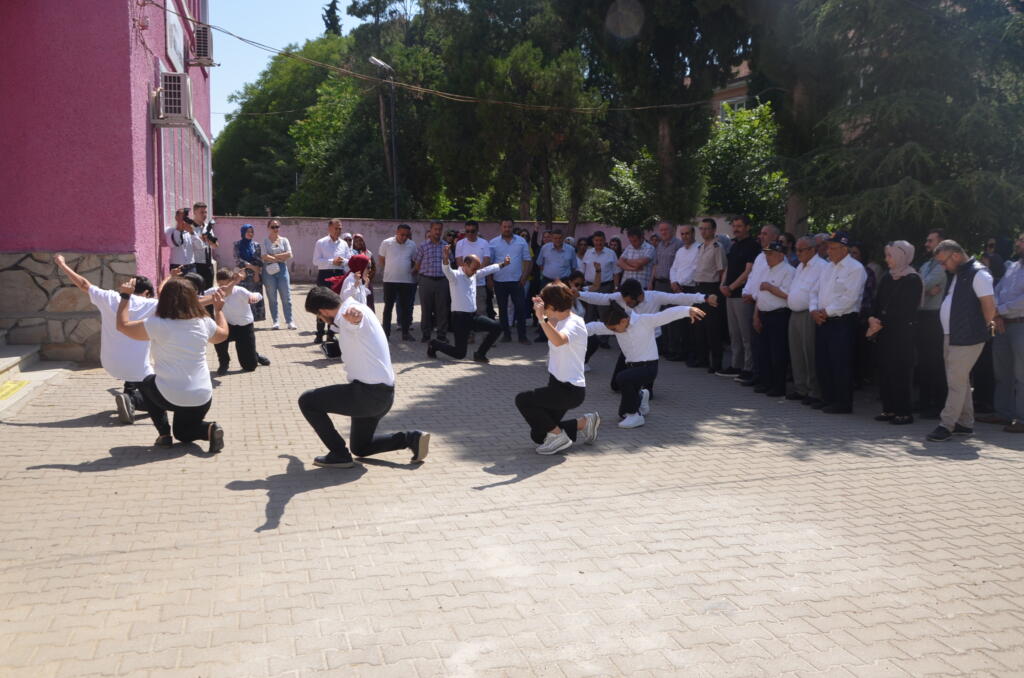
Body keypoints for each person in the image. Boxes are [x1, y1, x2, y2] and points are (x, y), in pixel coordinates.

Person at [298, 286, 430, 468]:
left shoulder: (350, 316)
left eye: (318, 316)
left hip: (367, 396)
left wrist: (355, 320)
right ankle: (411, 439)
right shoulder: (356, 307)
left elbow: (354, 323)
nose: (320, 320)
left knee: (307, 401)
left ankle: (339, 454)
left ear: (323, 311)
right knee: (360, 447)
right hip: (383, 395)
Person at [115, 277, 229, 453]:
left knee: (146, 382)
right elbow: (223, 335)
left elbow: (123, 326)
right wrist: (219, 310)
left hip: (170, 395)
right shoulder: (203, 322)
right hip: (202, 396)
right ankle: (210, 429)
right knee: (183, 434)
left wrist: (125, 297)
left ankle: (164, 435)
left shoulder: (157, 324)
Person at [53, 254, 157, 424]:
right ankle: (132, 400)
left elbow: (83, 284)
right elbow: (185, 302)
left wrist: (62, 264)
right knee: (161, 398)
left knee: (133, 373)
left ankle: (128, 396)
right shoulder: (151, 305)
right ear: (146, 293)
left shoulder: (109, 297)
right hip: (139, 367)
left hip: (110, 364)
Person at [586, 298, 704, 429]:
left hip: (648, 367)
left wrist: (687, 310)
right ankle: (641, 396)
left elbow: (666, 315)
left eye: (614, 328)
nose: (613, 331)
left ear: (624, 321)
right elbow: (593, 327)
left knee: (622, 378)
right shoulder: (615, 325)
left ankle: (635, 416)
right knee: (622, 414)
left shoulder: (644, 321)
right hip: (632, 367)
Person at [514, 283, 600, 455]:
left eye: (545, 305)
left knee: (523, 400)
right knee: (539, 435)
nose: (543, 308)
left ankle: (559, 437)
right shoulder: (560, 319)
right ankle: (584, 423)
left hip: (570, 390)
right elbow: (551, 326)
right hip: (556, 385)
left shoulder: (574, 323)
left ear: (553, 306)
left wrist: (540, 317)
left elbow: (559, 340)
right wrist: (541, 309)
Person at [926, 240, 998, 442]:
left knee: (955, 382)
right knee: (960, 380)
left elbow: (989, 306)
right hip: (953, 334)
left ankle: (946, 425)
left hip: (967, 336)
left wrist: (981, 329)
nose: (943, 266)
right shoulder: (961, 272)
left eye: (944, 262)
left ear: (956, 256)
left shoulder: (979, 274)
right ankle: (965, 424)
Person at [866, 241, 923, 425]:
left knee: (901, 371)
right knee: (885, 370)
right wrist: (872, 318)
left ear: (901, 256)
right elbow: (877, 301)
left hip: (902, 333)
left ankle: (903, 412)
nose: (887, 259)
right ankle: (889, 409)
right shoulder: (887, 277)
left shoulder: (912, 279)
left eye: (890, 255)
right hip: (884, 332)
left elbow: (907, 309)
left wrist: (882, 321)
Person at [812, 231, 867, 414]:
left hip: (842, 321)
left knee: (840, 362)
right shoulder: (827, 267)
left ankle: (843, 402)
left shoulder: (855, 269)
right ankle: (827, 398)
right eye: (828, 247)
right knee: (823, 361)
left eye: (833, 248)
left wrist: (825, 312)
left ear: (844, 249)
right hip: (823, 320)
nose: (829, 251)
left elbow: (849, 299)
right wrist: (814, 310)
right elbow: (814, 291)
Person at [428, 246, 509, 363]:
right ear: (465, 264)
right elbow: (446, 269)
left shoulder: (474, 274)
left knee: (497, 327)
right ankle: (434, 344)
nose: (475, 272)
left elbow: (487, 270)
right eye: (474, 269)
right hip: (459, 319)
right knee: (460, 354)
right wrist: (445, 258)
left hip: (473, 316)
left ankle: (480, 354)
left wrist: (503, 264)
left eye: (477, 269)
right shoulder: (455, 276)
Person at [982, 231, 1024, 432]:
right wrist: (997, 314)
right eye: (1019, 240)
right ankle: (1003, 413)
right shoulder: (1013, 267)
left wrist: (1000, 310)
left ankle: (1022, 419)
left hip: (1021, 325)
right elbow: (997, 291)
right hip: (1002, 324)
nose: (1018, 243)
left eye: (1022, 241)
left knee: (1022, 374)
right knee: (1002, 372)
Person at [786, 236, 829, 405]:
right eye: (796, 250)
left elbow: (819, 292)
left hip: (809, 314)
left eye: (801, 250)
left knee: (809, 353)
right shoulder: (800, 266)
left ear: (812, 250)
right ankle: (801, 388)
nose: (797, 253)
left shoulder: (822, 266)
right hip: (794, 313)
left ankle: (814, 391)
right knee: (796, 353)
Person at [738, 224, 782, 387]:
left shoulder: (778, 259)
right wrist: (746, 292)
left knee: (764, 345)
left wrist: (754, 295)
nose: (760, 236)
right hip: (752, 302)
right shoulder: (759, 256)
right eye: (761, 233)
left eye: (765, 234)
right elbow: (752, 278)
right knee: (755, 342)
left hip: (763, 304)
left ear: (775, 237)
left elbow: (767, 283)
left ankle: (765, 377)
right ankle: (757, 374)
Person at [751, 242, 795, 397]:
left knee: (778, 353)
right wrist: (756, 315)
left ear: (781, 255)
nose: (767, 257)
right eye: (766, 254)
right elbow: (759, 295)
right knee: (764, 351)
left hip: (779, 315)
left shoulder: (789, 271)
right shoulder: (766, 270)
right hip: (763, 314)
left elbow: (788, 295)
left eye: (770, 254)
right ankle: (766, 382)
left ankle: (778, 386)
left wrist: (770, 288)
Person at [207, 268, 269, 376]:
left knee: (250, 367)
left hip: (244, 326)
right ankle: (224, 363)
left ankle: (255, 355)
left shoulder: (240, 291)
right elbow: (198, 298)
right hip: (226, 325)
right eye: (220, 284)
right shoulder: (213, 291)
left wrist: (254, 297)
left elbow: (258, 295)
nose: (223, 288)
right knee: (218, 338)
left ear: (231, 282)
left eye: (225, 284)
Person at [720, 215, 760, 381]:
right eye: (734, 226)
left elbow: (748, 271)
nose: (736, 229)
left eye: (739, 226)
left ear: (748, 227)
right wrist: (723, 285)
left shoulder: (753, 246)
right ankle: (736, 365)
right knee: (734, 333)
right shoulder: (734, 245)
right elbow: (728, 267)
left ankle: (748, 368)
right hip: (729, 294)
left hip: (742, 295)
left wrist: (731, 287)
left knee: (746, 335)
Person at [916, 229, 949, 419]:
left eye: (930, 241)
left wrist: (924, 290)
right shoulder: (927, 264)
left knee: (935, 362)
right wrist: (926, 292)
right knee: (923, 362)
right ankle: (924, 401)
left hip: (935, 318)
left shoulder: (943, 265)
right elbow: (917, 286)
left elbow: (922, 285)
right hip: (922, 316)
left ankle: (937, 405)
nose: (926, 244)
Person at [489, 219, 533, 345]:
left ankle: (522, 336)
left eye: (509, 226)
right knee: (502, 309)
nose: (507, 229)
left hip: (517, 281)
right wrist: (490, 279)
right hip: (499, 281)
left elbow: (528, 260)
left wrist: (524, 277)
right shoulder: (493, 243)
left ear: (513, 227)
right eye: (505, 226)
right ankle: (506, 335)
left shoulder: (521, 241)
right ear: (501, 227)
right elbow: (490, 263)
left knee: (520, 308)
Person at [692, 219, 728, 372]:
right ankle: (703, 359)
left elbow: (722, 270)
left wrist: (719, 289)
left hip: (712, 288)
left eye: (707, 228)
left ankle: (716, 362)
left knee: (713, 327)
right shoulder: (700, 247)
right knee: (699, 325)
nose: (703, 231)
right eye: (701, 228)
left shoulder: (717, 247)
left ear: (713, 230)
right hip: (699, 288)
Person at [533, 230, 577, 341]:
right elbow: (540, 264)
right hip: (547, 281)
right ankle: (543, 334)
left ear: (563, 238)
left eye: (560, 238)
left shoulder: (570, 250)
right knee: (544, 307)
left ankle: (562, 332)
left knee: (563, 307)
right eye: (555, 238)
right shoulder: (545, 248)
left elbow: (573, 267)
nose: (557, 240)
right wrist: (549, 273)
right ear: (552, 238)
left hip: (563, 282)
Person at [312, 219, 350, 344]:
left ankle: (331, 334)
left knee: (335, 304)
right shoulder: (321, 242)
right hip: (325, 274)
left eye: (340, 228)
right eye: (336, 228)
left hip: (339, 275)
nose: (338, 231)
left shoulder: (344, 244)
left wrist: (342, 261)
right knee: (322, 304)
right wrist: (331, 261)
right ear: (329, 228)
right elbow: (316, 261)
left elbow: (349, 260)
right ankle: (319, 334)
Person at [378, 223, 417, 340]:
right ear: (396, 232)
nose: (404, 237)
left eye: (407, 235)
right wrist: (390, 270)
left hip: (407, 281)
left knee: (406, 308)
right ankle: (386, 333)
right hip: (390, 280)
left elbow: (415, 261)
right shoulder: (386, 243)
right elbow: (381, 260)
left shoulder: (412, 245)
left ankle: (405, 333)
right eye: (402, 234)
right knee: (388, 307)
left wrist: (411, 271)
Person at [414, 221, 451, 343]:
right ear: (430, 230)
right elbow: (417, 265)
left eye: (440, 229)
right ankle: (426, 335)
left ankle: (442, 335)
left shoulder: (446, 246)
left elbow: (450, 264)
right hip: (426, 281)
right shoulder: (423, 246)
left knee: (442, 310)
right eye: (435, 229)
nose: (437, 232)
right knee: (426, 309)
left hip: (442, 281)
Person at [669, 224, 700, 362]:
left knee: (691, 324)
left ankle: (692, 354)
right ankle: (681, 352)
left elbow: (695, 269)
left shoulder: (699, 249)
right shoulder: (680, 251)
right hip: (678, 289)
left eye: (687, 233)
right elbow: (674, 268)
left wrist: (680, 284)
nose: (684, 236)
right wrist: (674, 282)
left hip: (690, 289)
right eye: (682, 234)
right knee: (680, 323)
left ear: (693, 234)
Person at [262, 219, 295, 330]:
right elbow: (264, 256)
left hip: (282, 270)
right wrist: (280, 257)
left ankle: (290, 321)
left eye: (277, 227)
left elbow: (289, 254)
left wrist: (273, 257)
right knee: (272, 297)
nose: (275, 229)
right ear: (268, 228)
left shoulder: (284, 240)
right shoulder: (265, 241)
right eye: (273, 227)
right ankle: (275, 321)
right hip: (268, 270)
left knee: (286, 296)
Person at [454, 220, 492, 320]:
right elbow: (459, 262)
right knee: (465, 312)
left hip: (479, 283)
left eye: (472, 231)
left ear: (477, 231)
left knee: (481, 311)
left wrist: (475, 273)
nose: (470, 233)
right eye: (467, 231)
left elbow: (486, 260)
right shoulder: (460, 244)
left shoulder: (484, 243)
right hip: (464, 284)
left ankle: (482, 330)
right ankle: (467, 330)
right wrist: (469, 274)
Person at [233, 224, 267, 328]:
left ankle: (252, 321)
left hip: (254, 275)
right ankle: (243, 320)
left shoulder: (256, 245)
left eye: (252, 231)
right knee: (243, 297)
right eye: (248, 231)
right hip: (242, 274)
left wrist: (256, 273)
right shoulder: (237, 244)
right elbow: (237, 259)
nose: (250, 233)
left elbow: (259, 260)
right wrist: (251, 267)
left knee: (254, 297)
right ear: (243, 232)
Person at [190, 202, 217, 291]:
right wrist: (201, 238)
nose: (204, 215)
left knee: (209, 291)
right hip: (196, 265)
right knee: (197, 292)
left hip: (208, 265)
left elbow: (215, 246)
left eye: (205, 212)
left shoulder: (207, 227)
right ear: (194, 212)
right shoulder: (190, 228)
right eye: (201, 212)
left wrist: (209, 239)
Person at [165, 207, 197, 274]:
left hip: (191, 266)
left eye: (185, 217)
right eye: (181, 217)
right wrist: (179, 228)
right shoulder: (170, 231)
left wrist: (192, 232)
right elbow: (174, 243)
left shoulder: (190, 232)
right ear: (176, 218)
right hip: (177, 267)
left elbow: (200, 246)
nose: (183, 220)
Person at [350, 234, 376, 311]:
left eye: (360, 240)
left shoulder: (368, 253)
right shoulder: (350, 252)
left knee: (369, 301)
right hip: (355, 281)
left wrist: (367, 278)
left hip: (366, 281)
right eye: (356, 241)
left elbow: (373, 268)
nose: (358, 242)